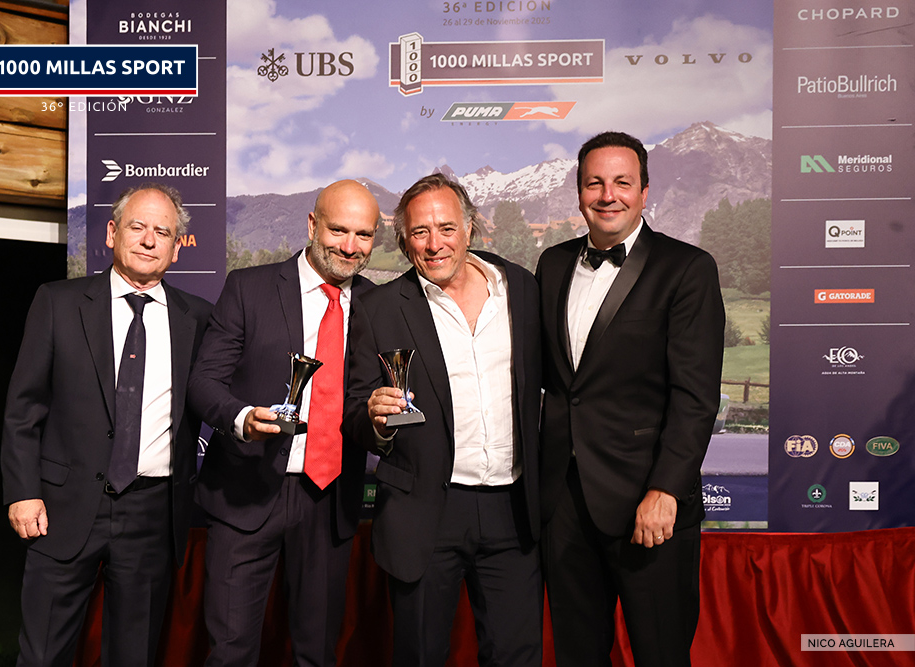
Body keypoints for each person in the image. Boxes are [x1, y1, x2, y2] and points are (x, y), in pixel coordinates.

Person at [1, 183, 212, 666]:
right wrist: (22, 491)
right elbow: (23, 408)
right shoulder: (58, 302)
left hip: (153, 514)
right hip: (62, 508)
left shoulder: (199, 319)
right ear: (112, 233)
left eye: (163, 232)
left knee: (134, 656)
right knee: (41, 656)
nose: (149, 240)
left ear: (177, 248)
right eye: (138, 227)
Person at [535, 131, 725, 666]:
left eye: (622, 182)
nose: (607, 195)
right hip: (564, 504)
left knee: (661, 653)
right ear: (578, 192)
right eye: (594, 183)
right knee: (577, 654)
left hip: (649, 502)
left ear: (644, 191)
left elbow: (695, 397)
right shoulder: (552, 264)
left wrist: (666, 489)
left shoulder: (687, 268)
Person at [344, 173, 544, 667]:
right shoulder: (378, 308)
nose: (435, 244)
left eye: (447, 228)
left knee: (517, 657)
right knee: (420, 656)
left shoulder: (520, 287)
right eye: (420, 232)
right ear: (404, 240)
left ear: (470, 228)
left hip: (513, 510)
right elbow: (353, 412)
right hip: (425, 513)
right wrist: (375, 419)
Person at [187, 179, 380, 667]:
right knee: (230, 653)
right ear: (312, 225)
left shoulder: (380, 305)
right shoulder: (248, 288)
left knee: (317, 653)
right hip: (245, 491)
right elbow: (204, 382)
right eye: (338, 230)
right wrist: (242, 418)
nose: (350, 247)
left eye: (363, 235)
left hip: (330, 497)